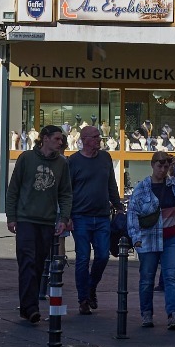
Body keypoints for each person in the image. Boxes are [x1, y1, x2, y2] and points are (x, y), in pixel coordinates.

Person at [6, 124, 74, 324]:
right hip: (26, 219)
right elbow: (14, 189)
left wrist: (63, 219)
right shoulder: (26, 158)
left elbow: (65, 193)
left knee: (37, 265)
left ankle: (29, 306)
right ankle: (30, 308)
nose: (60, 143)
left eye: (61, 140)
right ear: (44, 138)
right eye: (57, 139)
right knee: (27, 262)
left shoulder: (62, 164)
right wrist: (12, 217)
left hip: (47, 221)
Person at [127, 150, 175, 330]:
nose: (163, 169)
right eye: (159, 165)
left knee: (171, 277)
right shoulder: (142, 188)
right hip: (148, 240)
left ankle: (173, 315)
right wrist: (136, 238)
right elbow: (132, 213)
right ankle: (146, 314)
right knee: (147, 278)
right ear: (152, 165)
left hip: (172, 239)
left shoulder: (174, 184)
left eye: (166, 166)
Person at [67, 124, 123, 315]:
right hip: (80, 217)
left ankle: (91, 286)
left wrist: (119, 206)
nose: (99, 140)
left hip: (101, 217)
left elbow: (111, 185)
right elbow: (66, 192)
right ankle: (83, 299)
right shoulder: (73, 162)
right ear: (84, 140)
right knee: (82, 258)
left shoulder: (105, 158)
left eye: (99, 137)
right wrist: (66, 216)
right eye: (96, 137)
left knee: (102, 256)